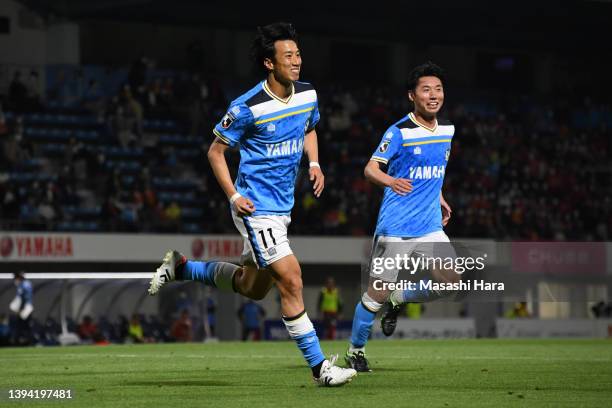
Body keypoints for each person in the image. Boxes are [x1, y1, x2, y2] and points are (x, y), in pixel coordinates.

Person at [148, 22, 356, 386]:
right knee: (291, 279)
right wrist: (234, 195)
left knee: (252, 287)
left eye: (298, 54)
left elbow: (309, 128)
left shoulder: (308, 94)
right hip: (254, 208)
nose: (296, 61)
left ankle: (182, 268)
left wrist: (315, 163)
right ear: (269, 63)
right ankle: (320, 369)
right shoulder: (246, 107)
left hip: (282, 208)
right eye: (288, 56)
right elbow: (215, 151)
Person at [345, 62, 460, 372]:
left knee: (450, 282)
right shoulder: (398, 132)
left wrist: (440, 196)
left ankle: (401, 297)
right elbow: (370, 169)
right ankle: (355, 351)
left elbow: (431, 174)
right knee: (375, 293)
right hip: (395, 226)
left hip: (429, 225)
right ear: (412, 95)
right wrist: (390, 181)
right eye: (426, 90)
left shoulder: (447, 130)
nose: (433, 95)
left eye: (438, 89)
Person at [9, 271, 34, 345]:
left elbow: (24, 299)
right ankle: (22, 340)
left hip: (26, 309)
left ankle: (25, 341)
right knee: (22, 326)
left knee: (23, 326)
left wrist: (20, 309)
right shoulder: (24, 285)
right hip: (25, 309)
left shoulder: (24, 285)